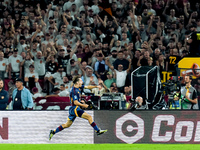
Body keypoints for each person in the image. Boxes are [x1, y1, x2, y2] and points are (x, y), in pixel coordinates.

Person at [49, 76, 107, 140]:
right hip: (75, 108)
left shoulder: (78, 87)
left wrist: (96, 86)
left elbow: (87, 87)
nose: (82, 81)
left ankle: (53, 132)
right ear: (77, 82)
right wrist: (85, 105)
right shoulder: (74, 91)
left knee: (67, 125)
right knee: (89, 117)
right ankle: (97, 131)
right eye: (80, 80)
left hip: (72, 109)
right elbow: (75, 102)